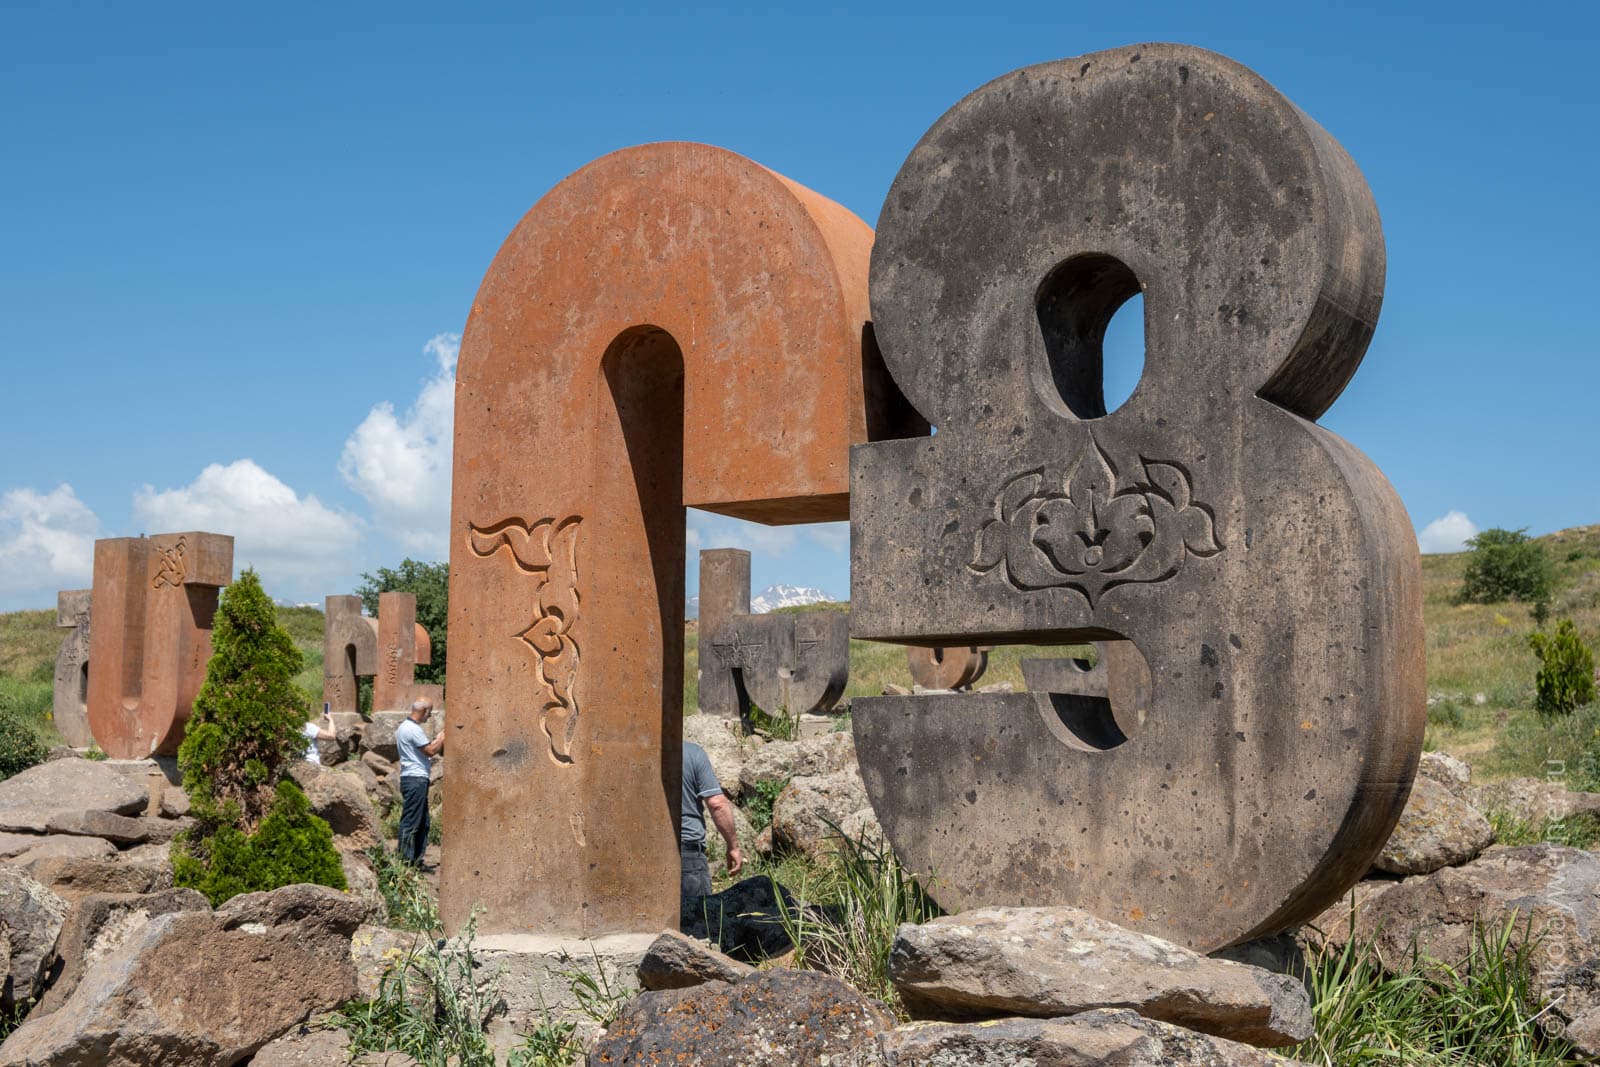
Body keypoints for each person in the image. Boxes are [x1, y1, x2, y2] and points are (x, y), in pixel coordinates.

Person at [681, 740, 742, 901]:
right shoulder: (692, 753)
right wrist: (733, 847)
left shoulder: (634, 753)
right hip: (688, 854)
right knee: (697, 920)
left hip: (643, 854)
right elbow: (717, 804)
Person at [395, 698, 444, 867]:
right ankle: (405, 861)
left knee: (423, 821)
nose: (429, 717)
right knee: (411, 821)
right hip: (415, 779)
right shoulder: (412, 729)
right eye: (429, 712)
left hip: (415, 778)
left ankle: (416, 860)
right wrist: (441, 738)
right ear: (423, 711)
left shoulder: (404, 727)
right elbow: (430, 751)